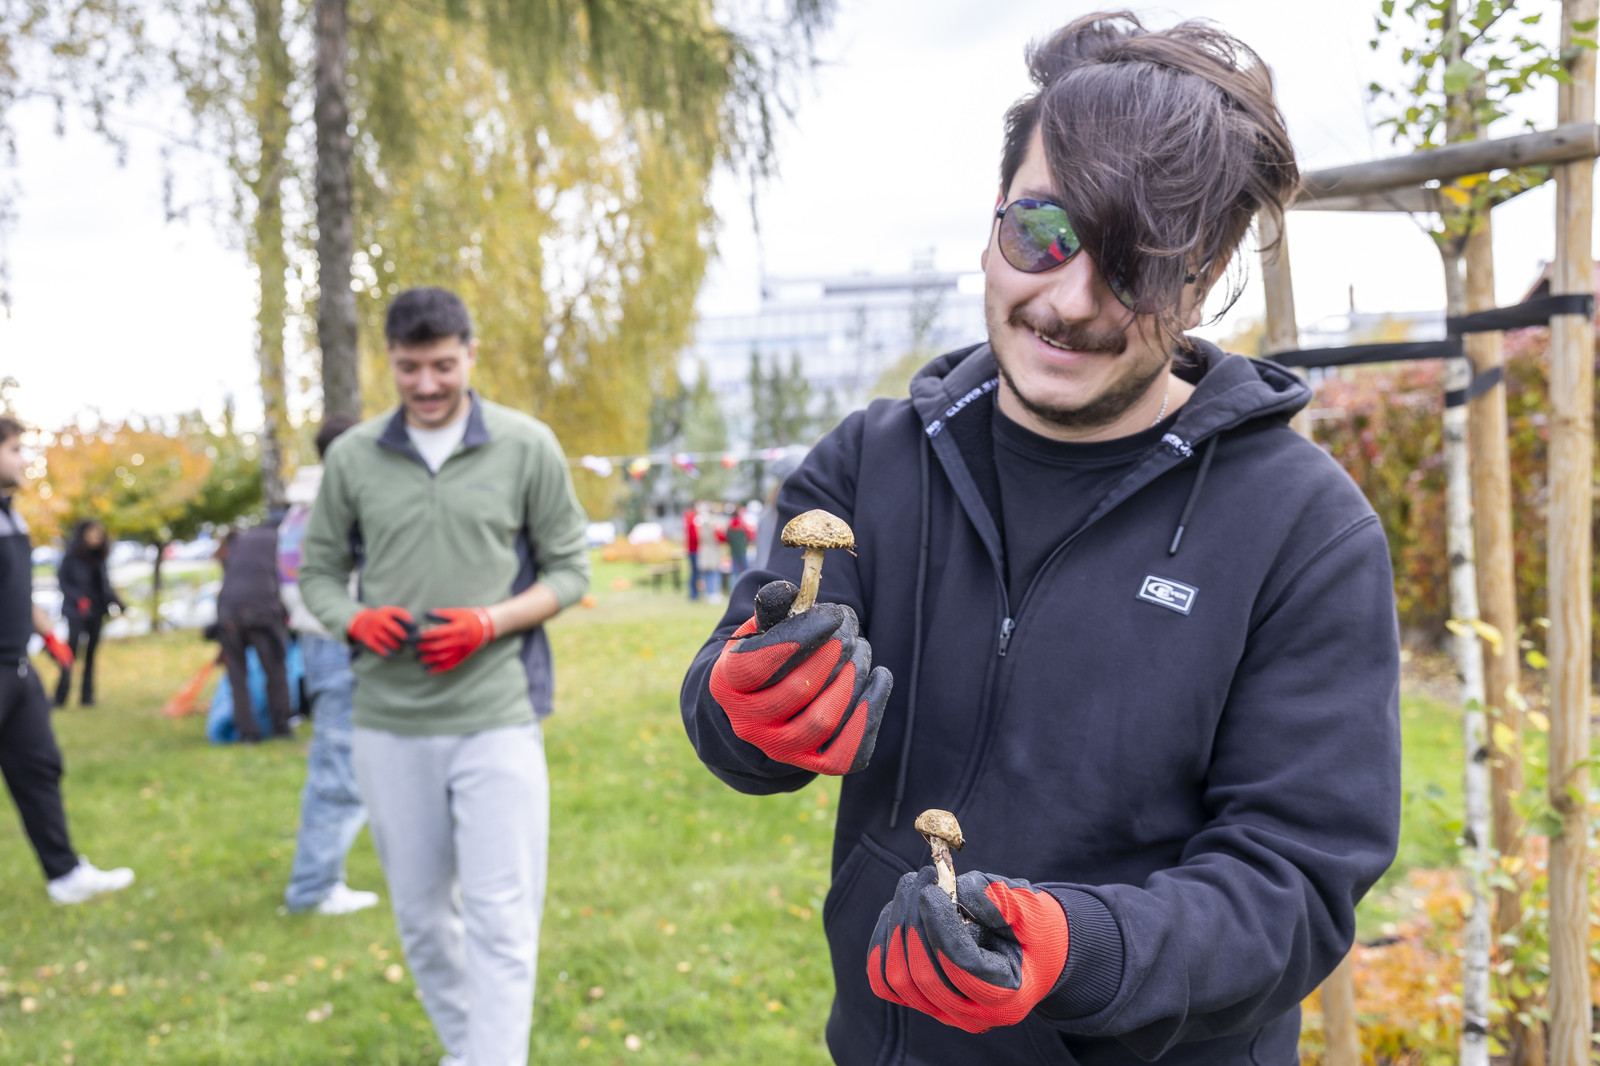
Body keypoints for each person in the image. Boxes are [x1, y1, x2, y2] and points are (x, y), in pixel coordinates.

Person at [680, 13, 1401, 1065]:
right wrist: (744, 706)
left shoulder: (1305, 529)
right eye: (1044, 231)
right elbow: (734, 698)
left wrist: (1078, 952)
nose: (1070, 301)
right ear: (993, 220)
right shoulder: (873, 462)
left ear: (1204, 277)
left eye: (1137, 262)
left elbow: (1292, 883)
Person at [300, 286, 591, 1066]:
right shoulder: (353, 457)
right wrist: (354, 619)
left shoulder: (527, 445)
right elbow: (317, 575)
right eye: (408, 368)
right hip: (388, 723)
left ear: (469, 354)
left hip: (497, 716)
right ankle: (475, 1051)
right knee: (424, 919)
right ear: (389, 362)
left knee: (502, 916)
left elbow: (570, 570)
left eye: (441, 365)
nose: (426, 384)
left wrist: (487, 622)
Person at [0, 416, 135, 904]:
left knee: (40, 766)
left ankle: (65, 875)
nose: (24, 459)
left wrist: (50, 637)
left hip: (18, 670)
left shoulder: (11, 516)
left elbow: (15, 592)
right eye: (14, 450)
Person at [279, 413, 378, 916]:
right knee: (339, 768)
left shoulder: (302, 503)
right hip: (339, 640)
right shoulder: (335, 503)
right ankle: (314, 888)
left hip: (321, 640)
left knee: (342, 762)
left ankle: (320, 882)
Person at [216, 514, 293, 743]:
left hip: (228, 612)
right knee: (276, 672)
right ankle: (281, 729)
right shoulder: (282, 539)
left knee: (237, 676)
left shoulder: (243, 540)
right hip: (262, 612)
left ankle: (247, 734)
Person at [53, 519, 124, 707]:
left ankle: (87, 696)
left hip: (96, 610)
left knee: (91, 654)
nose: (96, 538)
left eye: (99, 534)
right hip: (75, 611)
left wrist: (118, 603)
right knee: (71, 653)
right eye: (92, 533)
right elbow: (63, 582)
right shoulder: (71, 556)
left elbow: (105, 585)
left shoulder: (99, 558)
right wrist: (78, 599)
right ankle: (61, 696)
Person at [724, 504, 751, 582]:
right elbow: (749, 535)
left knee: (734, 571)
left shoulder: (729, 525)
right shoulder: (742, 524)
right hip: (742, 550)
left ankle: (733, 585)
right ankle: (747, 582)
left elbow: (726, 538)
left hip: (734, 550)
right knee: (745, 569)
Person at [684, 501, 702, 601]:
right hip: (695, 549)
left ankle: (695, 593)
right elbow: (695, 537)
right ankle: (694, 594)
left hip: (692, 549)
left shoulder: (691, 519)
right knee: (695, 573)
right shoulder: (693, 519)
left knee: (694, 572)